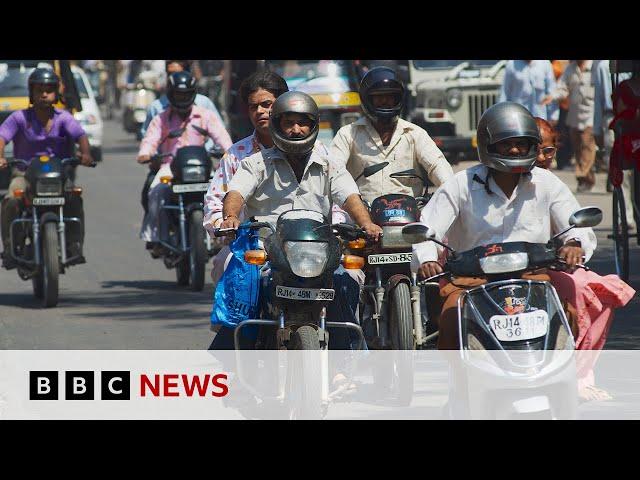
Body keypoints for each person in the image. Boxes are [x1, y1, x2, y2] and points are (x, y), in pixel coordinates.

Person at [414, 102, 597, 351]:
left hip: (533, 276)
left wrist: (574, 243)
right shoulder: (461, 184)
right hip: (472, 281)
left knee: (569, 313)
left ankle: (572, 375)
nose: (514, 149)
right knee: (450, 318)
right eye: (506, 143)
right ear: (488, 145)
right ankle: (461, 385)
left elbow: (574, 221)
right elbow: (427, 228)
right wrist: (427, 259)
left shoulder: (547, 183)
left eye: (521, 143)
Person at [210, 91, 383, 351]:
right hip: (269, 253)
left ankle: (346, 360)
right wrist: (231, 217)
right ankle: (233, 365)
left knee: (347, 280)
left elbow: (350, 196)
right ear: (277, 124)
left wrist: (366, 223)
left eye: (303, 122)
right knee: (245, 288)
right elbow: (236, 193)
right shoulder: (255, 164)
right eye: (288, 123)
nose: (296, 129)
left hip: (318, 254)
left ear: (313, 126)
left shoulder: (329, 163)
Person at [534, 116, 636, 401]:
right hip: (511, 269)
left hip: (552, 265)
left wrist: (574, 243)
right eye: (534, 149)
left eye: (548, 151)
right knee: (579, 291)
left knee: (605, 291)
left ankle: (580, 375)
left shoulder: (552, 184)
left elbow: (578, 227)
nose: (541, 158)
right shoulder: (490, 179)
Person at [0, 68, 94, 269]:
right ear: (31, 93)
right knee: (10, 200)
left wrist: (85, 154)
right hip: (24, 174)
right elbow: (2, 137)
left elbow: (80, 136)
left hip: (57, 175)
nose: (44, 94)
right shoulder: (19, 118)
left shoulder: (64, 117)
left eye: (49, 89)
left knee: (74, 198)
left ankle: (74, 244)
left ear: (56, 93)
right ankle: (10, 248)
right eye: (39, 89)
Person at [136, 71, 232, 256]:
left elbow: (224, 140)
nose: (182, 98)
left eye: (186, 94)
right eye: (179, 94)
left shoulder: (205, 115)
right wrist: (146, 155)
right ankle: (158, 238)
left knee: (223, 193)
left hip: (202, 168)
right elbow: (148, 143)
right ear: (171, 95)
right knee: (156, 192)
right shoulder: (161, 119)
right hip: (169, 169)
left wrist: (227, 151)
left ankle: (222, 234)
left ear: (193, 94)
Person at [330, 66, 453, 204]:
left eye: (390, 96)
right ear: (367, 99)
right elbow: (335, 172)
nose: (385, 101)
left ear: (398, 99)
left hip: (410, 219)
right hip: (364, 219)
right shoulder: (347, 134)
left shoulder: (415, 134)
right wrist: (353, 205)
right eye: (378, 97)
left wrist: (450, 191)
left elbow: (437, 165)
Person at [542, 60, 597, 192]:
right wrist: (552, 97)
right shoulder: (570, 69)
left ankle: (582, 176)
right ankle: (588, 178)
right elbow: (562, 88)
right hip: (574, 115)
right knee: (578, 148)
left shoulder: (595, 67)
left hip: (591, 114)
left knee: (587, 145)